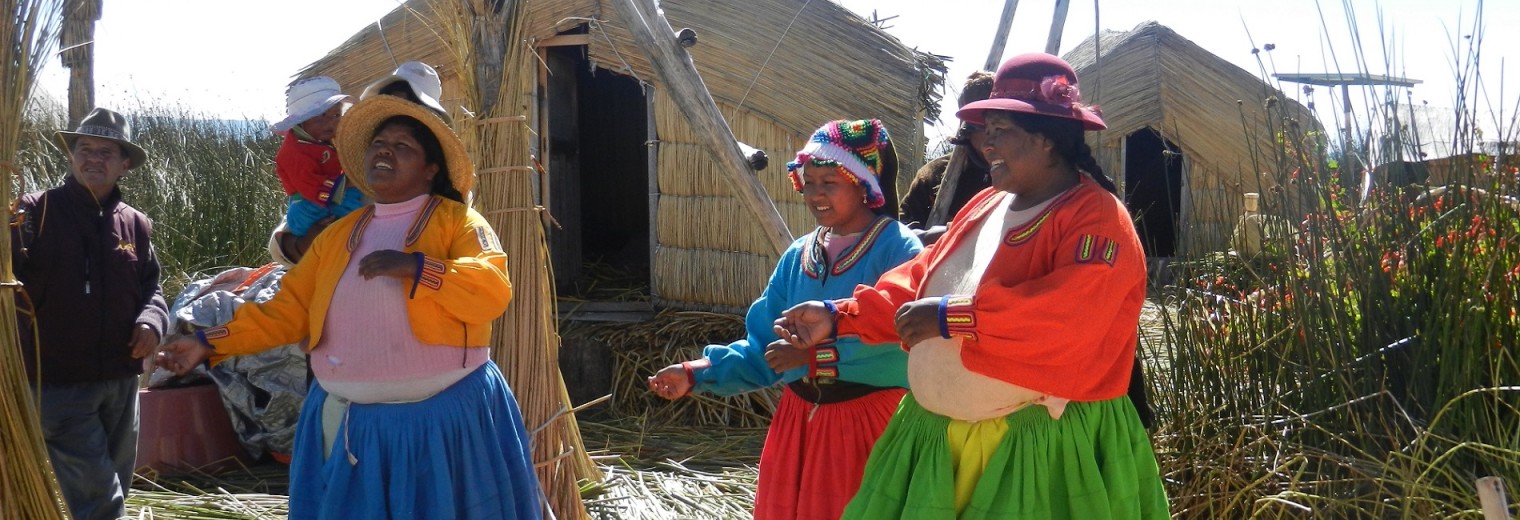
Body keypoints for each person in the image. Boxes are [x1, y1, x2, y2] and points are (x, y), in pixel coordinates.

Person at [774, 53, 1169, 519]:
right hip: (939, 445)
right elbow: (919, 279)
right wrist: (839, 316)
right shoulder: (986, 204)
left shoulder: (1096, 217)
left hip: (1035, 451)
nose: (985, 144)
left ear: (1046, 139)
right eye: (984, 130)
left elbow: (1069, 316)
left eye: (1000, 130)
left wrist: (950, 318)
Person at [157, 95, 541, 519]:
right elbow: (288, 311)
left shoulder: (459, 223)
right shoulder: (338, 235)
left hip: (442, 424)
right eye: (379, 143)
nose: (385, 151)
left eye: (402, 146)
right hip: (350, 424)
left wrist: (419, 269)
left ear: (431, 169)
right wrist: (207, 342)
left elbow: (491, 289)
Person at [647, 119, 923, 520]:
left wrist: (816, 360)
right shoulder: (798, 256)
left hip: (866, 426)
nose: (815, 194)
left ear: (862, 184)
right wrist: (698, 372)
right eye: (808, 182)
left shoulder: (897, 248)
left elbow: (903, 338)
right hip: (798, 426)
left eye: (830, 181)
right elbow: (764, 350)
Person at [10, 107, 170, 520]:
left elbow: (153, 287)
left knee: (116, 484)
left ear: (125, 165)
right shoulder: (31, 214)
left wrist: (151, 321)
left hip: (120, 378)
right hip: (56, 382)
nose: (93, 159)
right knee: (100, 500)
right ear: (71, 155)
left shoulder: (135, 225)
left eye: (106, 152)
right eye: (84, 149)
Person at [899, 70, 996, 241]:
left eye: (1001, 128)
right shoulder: (934, 174)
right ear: (968, 130)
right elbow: (902, 228)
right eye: (985, 129)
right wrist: (939, 236)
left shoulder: (1019, 172)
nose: (993, 139)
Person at [270, 76, 364, 244]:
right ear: (302, 122)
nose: (330, 122)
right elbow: (310, 185)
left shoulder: (325, 140)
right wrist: (352, 180)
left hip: (330, 195)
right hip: (310, 207)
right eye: (321, 116)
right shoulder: (295, 151)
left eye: (336, 114)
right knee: (354, 217)